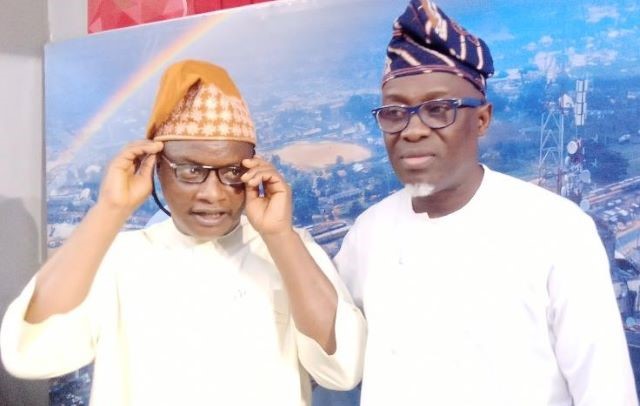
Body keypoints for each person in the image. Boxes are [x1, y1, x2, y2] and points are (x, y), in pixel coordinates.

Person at [1, 60, 366, 405]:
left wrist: (280, 236)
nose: (213, 193)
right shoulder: (119, 258)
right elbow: (29, 355)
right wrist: (109, 210)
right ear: (156, 169)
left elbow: (342, 370)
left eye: (232, 172)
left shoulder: (289, 250)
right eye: (191, 171)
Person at [334, 1, 637, 405]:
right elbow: (339, 351)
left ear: (482, 119)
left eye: (438, 109)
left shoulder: (556, 230)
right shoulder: (369, 231)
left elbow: (606, 392)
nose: (412, 130)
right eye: (394, 112)